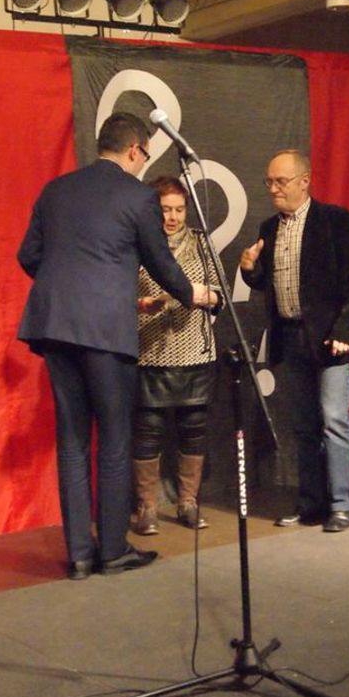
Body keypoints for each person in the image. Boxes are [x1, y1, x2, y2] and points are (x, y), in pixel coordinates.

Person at [17, 112, 214, 580]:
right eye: (144, 156)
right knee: (114, 437)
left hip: (55, 325)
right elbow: (160, 261)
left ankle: (80, 556)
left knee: (72, 441)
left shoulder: (56, 190)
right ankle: (111, 551)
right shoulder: (137, 196)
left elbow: (29, 255)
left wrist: (69, 288)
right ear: (134, 150)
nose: (144, 164)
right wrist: (192, 294)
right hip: (106, 329)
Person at [239, 150, 349, 533]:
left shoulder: (335, 220)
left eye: (281, 181)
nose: (273, 189)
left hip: (330, 340)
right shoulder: (268, 227)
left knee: (334, 419)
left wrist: (345, 331)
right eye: (269, 182)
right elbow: (264, 283)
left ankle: (341, 504)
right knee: (303, 425)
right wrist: (249, 270)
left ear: (304, 181)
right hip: (290, 337)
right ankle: (311, 502)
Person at [131, 176, 221, 535]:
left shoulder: (201, 242)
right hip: (150, 350)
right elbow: (119, 293)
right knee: (148, 431)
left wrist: (204, 296)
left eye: (179, 210)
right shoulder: (138, 242)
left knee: (193, 429)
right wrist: (142, 304)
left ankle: (188, 502)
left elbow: (220, 293)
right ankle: (147, 507)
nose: (172, 217)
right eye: (165, 209)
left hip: (194, 350)